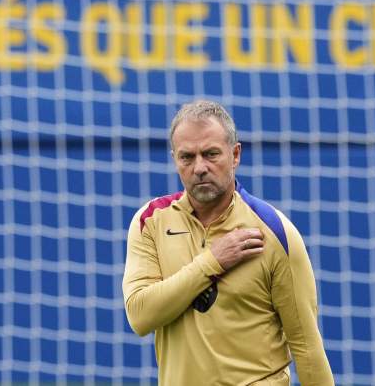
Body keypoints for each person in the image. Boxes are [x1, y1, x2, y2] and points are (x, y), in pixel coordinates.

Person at [122, 100, 334, 385]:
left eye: (211, 154)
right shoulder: (151, 222)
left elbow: (307, 347)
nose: (199, 167)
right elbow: (140, 315)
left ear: (235, 155)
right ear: (175, 159)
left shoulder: (275, 231)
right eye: (187, 157)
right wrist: (212, 262)